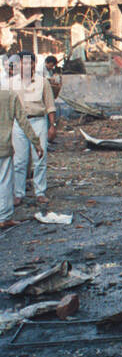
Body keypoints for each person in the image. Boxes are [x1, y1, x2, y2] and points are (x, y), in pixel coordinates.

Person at [7, 51, 56, 205]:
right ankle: (19, 194)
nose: (27, 66)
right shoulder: (11, 83)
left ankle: (40, 192)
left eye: (30, 62)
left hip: (38, 122)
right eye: (24, 62)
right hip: (19, 123)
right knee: (19, 161)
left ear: (35, 64)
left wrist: (52, 126)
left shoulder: (43, 82)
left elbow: (50, 105)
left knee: (40, 158)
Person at [0, 84, 43, 229]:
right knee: (5, 182)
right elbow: (23, 122)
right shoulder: (10, 96)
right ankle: (4, 218)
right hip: (3, 147)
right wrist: (36, 143)